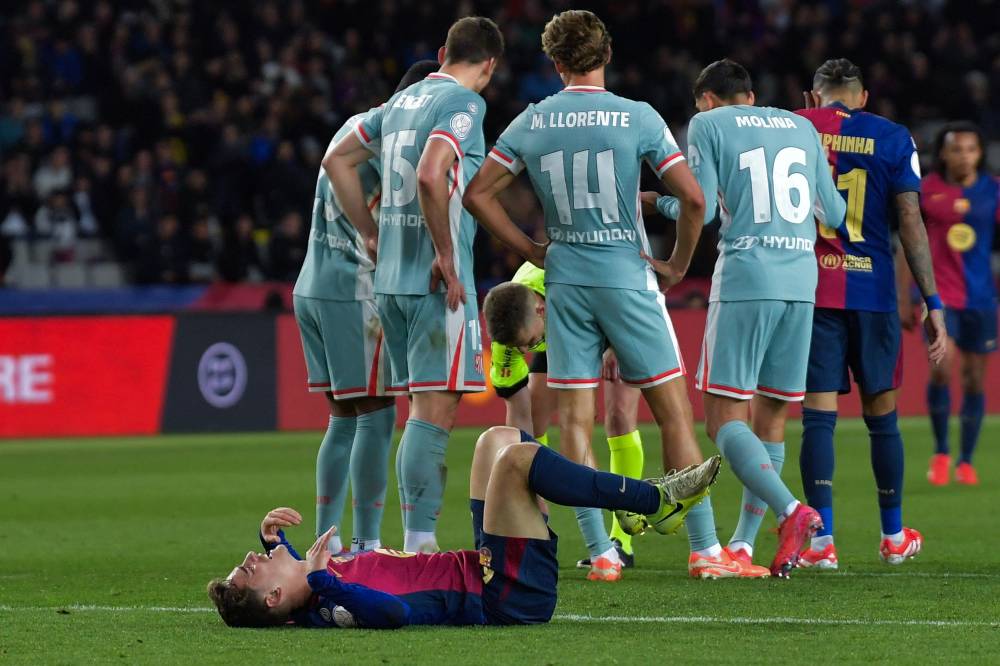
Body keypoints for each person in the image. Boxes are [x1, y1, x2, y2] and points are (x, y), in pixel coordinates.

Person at [465, 10, 745, 582]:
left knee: (574, 422)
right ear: (607, 54)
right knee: (673, 414)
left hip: (566, 281)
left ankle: (601, 554)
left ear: (556, 63)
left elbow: (476, 194)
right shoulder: (637, 116)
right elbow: (694, 200)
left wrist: (531, 247)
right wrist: (677, 265)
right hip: (628, 276)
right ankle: (706, 550)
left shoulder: (533, 120)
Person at [648, 59, 847, 577]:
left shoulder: (708, 124)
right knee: (772, 417)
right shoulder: (801, 126)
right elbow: (835, 215)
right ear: (752, 96)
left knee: (723, 420)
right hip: (802, 282)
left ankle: (792, 511)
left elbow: (703, 209)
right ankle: (742, 546)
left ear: (708, 100)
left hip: (747, 278)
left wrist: (658, 203)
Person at [206, 429, 723, 628]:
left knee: (495, 440)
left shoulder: (311, 584)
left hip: (485, 568)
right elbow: (394, 613)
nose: (250, 559)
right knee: (517, 461)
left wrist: (274, 543)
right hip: (507, 597)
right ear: (273, 597)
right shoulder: (329, 604)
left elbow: (298, 577)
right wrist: (323, 579)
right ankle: (654, 501)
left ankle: (625, 506)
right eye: (249, 570)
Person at [325, 18, 504, 554]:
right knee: (432, 415)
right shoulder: (465, 104)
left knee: (418, 413)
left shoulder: (397, 103)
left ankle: (414, 540)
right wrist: (445, 253)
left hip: (390, 284)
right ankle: (420, 544)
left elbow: (337, 159)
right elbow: (431, 173)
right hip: (435, 284)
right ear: (490, 65)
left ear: (443, 51)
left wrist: (371, 232)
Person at [796, 58, 946, 569]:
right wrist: (932, 301)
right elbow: (910, 218)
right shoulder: (894, 136)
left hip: (812, 289)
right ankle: (893, 537)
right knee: (882, 420)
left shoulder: (795, 127)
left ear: (813, 95)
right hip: (875, 292)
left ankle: (822, 544)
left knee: (817, 418)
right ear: (863, 97)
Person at [291, 60, 438, 555]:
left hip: (313, 282)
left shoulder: (355, 126)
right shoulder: (398, 141)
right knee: (376, 415)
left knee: (343, 419)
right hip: (354, 289)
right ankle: (366, 545)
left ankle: (326, 542)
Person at [484, 261, 649, 574]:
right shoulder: (510, 330)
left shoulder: (566, 281)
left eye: (528, 342)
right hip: (562, 324)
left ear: (540, 310)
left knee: (617, 416)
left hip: (616, 306)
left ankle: (619, 541)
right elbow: (518, 420)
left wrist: (616, 342)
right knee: (537, 416)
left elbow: (618, 284)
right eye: (520, 347)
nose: (524, 349)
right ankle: (574, 540)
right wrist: (529, 490)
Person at [921, 122, 1000, 486]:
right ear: (943, 153)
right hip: (940, 297)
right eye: (956, 149)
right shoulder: (926, 189)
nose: (964, 156)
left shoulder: (992, 190)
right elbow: (910, 243)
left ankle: (966, 460)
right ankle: (941, 452)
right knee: (941, 368)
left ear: (980, 153)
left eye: (971, 149)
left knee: (974, 380)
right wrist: (907, 296)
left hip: (981, 298)